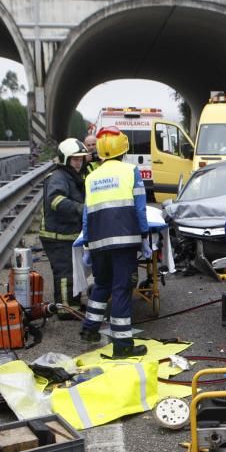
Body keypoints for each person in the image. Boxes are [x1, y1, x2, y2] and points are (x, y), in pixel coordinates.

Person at [79, 128, 149, 358]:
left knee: (102, 285)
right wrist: (145, 237)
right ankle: (122, 345)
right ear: (123, 150)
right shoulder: (131, 171)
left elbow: (87, 214)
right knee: (121, 290)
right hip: (125, 242)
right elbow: (140, 208)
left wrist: (88, 242)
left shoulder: (91, 177)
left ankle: (89, 330)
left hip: (98, 242)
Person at [40, 138, 88, 318]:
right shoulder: (59, 177)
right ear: (66, 159)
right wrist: (80, 209)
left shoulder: (71, 176)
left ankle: (73, 304)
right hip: (56, 234)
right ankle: (65, 309)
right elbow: (55, 200)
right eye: (75, 159)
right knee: (65, 271)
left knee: (73, 270)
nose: (78, 162)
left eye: (81, 159)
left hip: (66, 232)